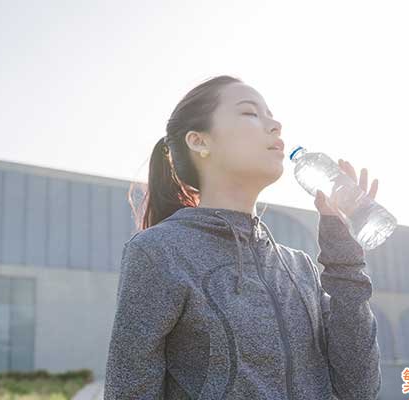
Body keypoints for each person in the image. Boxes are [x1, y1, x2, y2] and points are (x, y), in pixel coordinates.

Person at [104, 75, 381, 399]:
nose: (275, 124)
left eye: (271, 114)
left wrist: (344, 253)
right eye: (250, 113)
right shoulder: (159, 252)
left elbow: (358, 389)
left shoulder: (299, 267)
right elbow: (129, 391)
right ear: (200, 141)